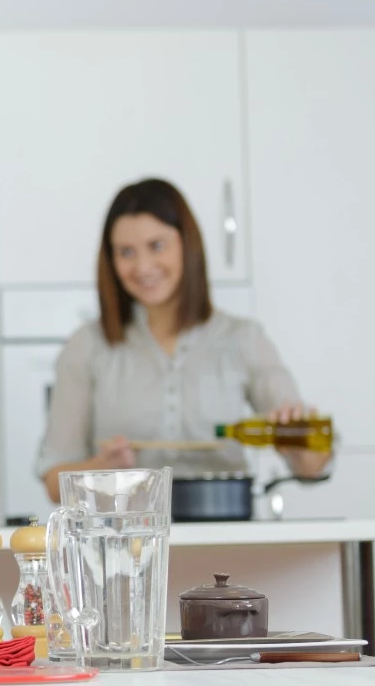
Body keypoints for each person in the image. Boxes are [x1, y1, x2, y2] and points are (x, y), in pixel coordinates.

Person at [36, 177, 332, 503]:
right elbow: (54, 482)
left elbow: (313, 466)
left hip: (228, 542)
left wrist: (297, 444)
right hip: (125, 544)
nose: (143, 266)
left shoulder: (243, 339)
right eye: (126, 252)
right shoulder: (86, 346)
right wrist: (99, 469)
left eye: (157, 246)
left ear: (186, 245)